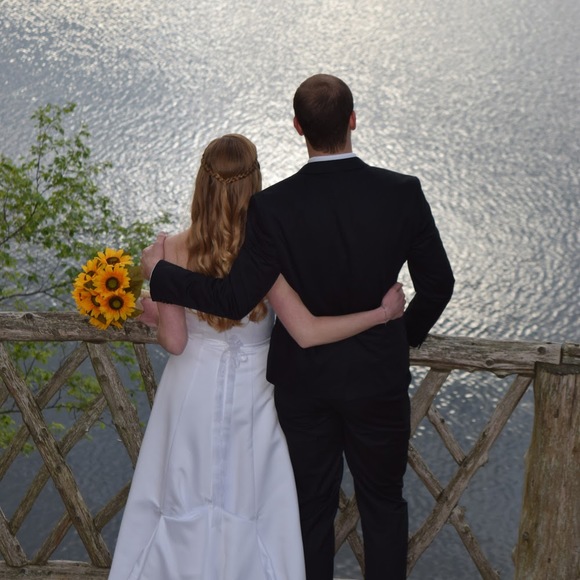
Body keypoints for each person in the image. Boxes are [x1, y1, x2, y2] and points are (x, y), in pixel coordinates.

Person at [141, 74, 455, 580]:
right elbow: (438, 285)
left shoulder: (273, 207)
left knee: (310, 509)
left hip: (304, 387)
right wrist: (398, 336)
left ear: (297, 127)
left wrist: (161, 274)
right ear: (353, 121)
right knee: (383, 504)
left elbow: (233, 298)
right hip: (378, 380)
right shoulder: (402, 192)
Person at [109, 133, 406, 580]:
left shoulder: (169, 250)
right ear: (255, 184)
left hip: (190, 392)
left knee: (180, 492)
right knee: (252, 498)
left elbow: (175, 341)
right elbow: (307, 331)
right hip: (254, 394)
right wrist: (381, 314)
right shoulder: (270, 253)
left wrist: (146, 306)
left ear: (201, 184)